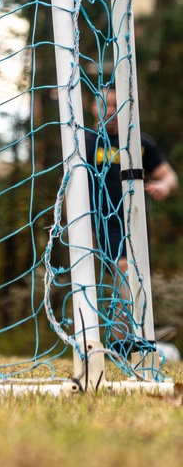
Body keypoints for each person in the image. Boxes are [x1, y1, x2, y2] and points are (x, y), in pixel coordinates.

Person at [85, 84, 178, 349]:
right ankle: (144, 326)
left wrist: (163, 186)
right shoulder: (85, 143)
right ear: (95, 107)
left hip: (135, 223)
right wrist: (79, 227)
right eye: (106, 105)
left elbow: (169, 176)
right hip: (101, 223)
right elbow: (68, 189)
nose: (111, 111)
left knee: (127, 278)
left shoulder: (140, 142)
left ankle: (121, 342)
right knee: (123, 270)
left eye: (117, 105)